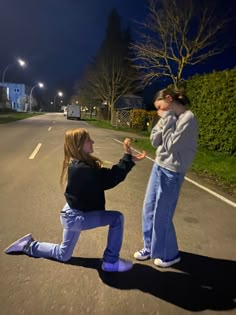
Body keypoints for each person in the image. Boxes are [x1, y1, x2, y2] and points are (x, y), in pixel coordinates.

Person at [5, 128, 146, 272]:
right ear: (79, 145)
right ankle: (110, 262)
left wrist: (130, 160)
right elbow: (110, 178)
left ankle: (28, 245)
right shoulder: (82, 169)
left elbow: (108, 176)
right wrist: (127, 156)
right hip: (76, 217)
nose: (92, 142)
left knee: (63, 254)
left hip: (71, 214)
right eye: (88, 140)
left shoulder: (80, 164)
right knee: (117, 218)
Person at [134, 87, 198, 268]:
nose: (159, 112)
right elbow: (155, 141)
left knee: (162, 215)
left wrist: (167, 119)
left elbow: (170, 145)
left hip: (173, 172)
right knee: (148, 209)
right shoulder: (168, 117)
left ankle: (171, 254)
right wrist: (165, 122)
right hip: (158, 166)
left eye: (160, 107)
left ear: (169, 99)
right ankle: (149, 246)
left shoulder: (188, 119)